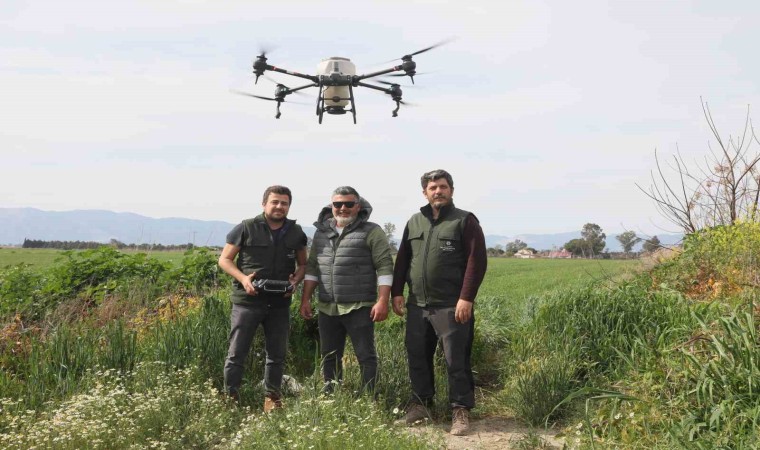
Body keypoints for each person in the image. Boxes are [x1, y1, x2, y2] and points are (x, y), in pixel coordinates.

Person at [391, 169, 487, 436]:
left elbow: (476, 262)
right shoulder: (414, 222)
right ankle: (420, 405)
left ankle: (460, 410)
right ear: (425, 192)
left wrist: (466, 298)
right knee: (417, 356)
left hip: (451, 305)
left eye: (443, 187)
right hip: (417, 305)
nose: (438, 191)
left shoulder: (464, 221)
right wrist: (397, 291)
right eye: (432, 188)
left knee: (456, 359)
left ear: (451, 190)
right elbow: (403, 259)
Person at [218, 185, 307, 412]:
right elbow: (225, 260)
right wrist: (243, 279)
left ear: (289, 206)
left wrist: (295, 281)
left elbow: (303, 264)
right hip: (247, 301)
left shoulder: (296, 233)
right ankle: (231, 398)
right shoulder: (246, 227)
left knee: (276, 354)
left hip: (279, 303)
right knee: (237, 353)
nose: (279, 206)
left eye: (284, 203)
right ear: (264, 203)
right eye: (275, 202)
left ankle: (272, 399)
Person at [299, 186, 394, 394]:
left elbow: (385, 266)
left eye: (349, 204)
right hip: (327, 306)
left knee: (365, 355)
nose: (343, 208)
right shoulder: (321, 233)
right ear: (331, 206)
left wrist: (382, 300)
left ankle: (369, 398)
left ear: (358, 206)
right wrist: (305, 299)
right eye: (338, 204)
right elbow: (313, 267)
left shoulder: (372, 231)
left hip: (359, 306)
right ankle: (331, 395)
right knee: (329, 355)